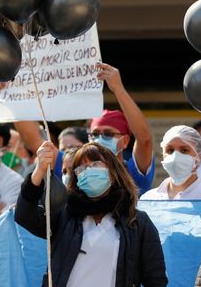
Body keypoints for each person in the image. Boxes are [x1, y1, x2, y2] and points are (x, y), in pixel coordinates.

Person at [16, 141, 167, 287]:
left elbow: (156, 284)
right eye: (81, 168)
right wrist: (39, 170)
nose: (88, 171)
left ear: (113, 170)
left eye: (95, 163)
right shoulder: (65, 216)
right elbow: (25, 216)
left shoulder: (137, 223)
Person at [16, 62, 156, 194]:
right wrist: (15, 92)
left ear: (125, 141)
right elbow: (32, 139)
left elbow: (144, 139)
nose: (100, 138)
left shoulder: (133, 170)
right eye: (94, 134)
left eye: (108, 134)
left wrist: (118, 89)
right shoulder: (72, 165)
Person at [141, 126, 201, 202]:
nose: (175, 156)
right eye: (170, 150)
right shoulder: (148, 199)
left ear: (198, 158)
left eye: (184, 150)